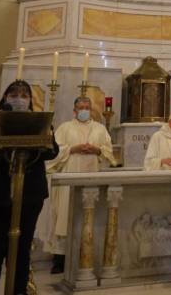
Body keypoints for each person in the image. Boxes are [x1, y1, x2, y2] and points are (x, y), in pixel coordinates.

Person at [0, 80, 58, 295]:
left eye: (24, 96)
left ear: (30, 101)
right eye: (13, 95)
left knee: (21, 252)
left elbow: (52, 152)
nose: (19, 99)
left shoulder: (38, 122)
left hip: (28, 196)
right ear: (5, 98)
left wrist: (44, 132)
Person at [44, 96, 116, 274]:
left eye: (87, 107)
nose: (84, 110)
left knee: (89, 215)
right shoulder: (65, 128)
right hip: (70, 174)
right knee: (65, 215)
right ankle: (60, 259)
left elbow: (109, 151)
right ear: (74, 110)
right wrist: (72, 149)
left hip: (92, 175)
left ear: (91, 110)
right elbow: (54, 151)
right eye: (81, 107)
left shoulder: (100, 129)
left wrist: (97, 150)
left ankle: (87, 257)